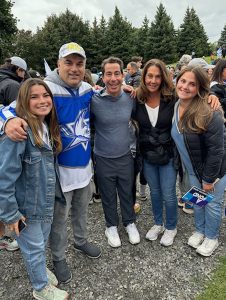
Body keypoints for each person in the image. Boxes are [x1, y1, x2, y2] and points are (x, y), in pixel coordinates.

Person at [0, 42, 101, 284]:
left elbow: (107, 96)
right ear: (58, 64)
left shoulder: (88, 88)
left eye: (79, 64)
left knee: (82, 210)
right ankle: (58, 257)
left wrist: (128, 89)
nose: (74, 68)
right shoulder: (46, 89)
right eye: (69, 63)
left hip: (84, 169)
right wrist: (7, 122)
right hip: (58, 173)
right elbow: (9, 109)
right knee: (58, 220)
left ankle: (80, 240)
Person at [0, 78, 69, 299]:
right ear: (23, 101)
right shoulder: (19, 133)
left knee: (39, 245)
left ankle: (39, 271)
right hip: (25, 207)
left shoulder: (45, 126)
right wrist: (10, 214)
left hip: (44, 202)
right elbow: (3, 178)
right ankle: (40, 288)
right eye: (34, 97)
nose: (42, 101)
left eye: (45, 95)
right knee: (34, 248)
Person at [171, 66, 226, 257]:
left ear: (200, 88)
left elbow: (216, 150)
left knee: (212, 204)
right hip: (191, 169)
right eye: (182, 81)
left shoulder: (209, 112)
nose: (185, 86)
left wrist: (209, 178)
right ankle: (200, 230)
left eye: (192, 84)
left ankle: (211, 237)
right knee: (198, 201)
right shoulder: (177, 104)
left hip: (213, 171)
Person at [91, 57, 140, 248]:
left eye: (116, 73)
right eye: (108, 74)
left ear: (123, 75)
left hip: (126, 155)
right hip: (103, 157)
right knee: (108, 194)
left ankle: (129, 222)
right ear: (102, 77)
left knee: (127, 192)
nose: (113, 78)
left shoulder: (131, 98)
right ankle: (111, 225)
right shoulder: (93, 100)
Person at [134, 59, 178, 247]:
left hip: (167, 153)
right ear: (144, 77)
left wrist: (211, 97)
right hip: (148, 154)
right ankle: (158, 223)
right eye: (149, 76)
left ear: (163, 78)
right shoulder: (137, 97)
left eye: (157, 76)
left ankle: (171, 226)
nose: (153, 80)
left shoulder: (172, 96)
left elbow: (197, 95)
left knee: (169, 193)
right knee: (155, 192)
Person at [0, 56, 27, 251]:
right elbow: (19, 114)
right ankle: (8, 232)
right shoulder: (12, 86)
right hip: (8, 143)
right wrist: (9, 121)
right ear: (19, 70)